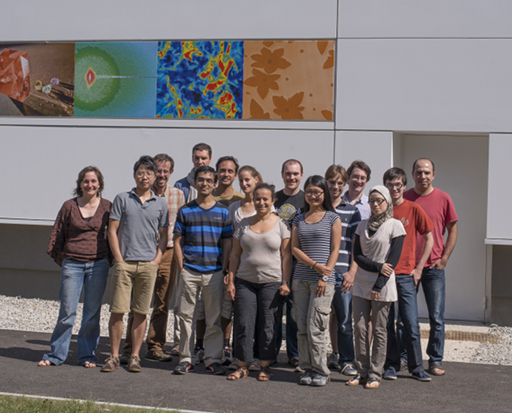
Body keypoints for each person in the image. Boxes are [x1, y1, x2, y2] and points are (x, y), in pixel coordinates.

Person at [101, 156, 169, 373]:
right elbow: (112, 230)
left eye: (148, 173)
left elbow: (164, 235)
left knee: (141, 312)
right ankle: (113, 356)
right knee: (117, 311)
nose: (144, 177)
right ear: (134, 175)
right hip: (125, 263)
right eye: (140, 172)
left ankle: (134, 356)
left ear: (154, 176)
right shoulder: (122, 198)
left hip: (148, 265)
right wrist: (119, 259)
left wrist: (157, 259)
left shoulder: (161, 203)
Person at [39, 166, 111, 368]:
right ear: (80, 184)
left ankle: (87, 355)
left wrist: (110, 259)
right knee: (67, 312)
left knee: (91, 313)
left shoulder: (108, 206)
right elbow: (58, 233)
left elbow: (115, 233)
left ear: (100, 184)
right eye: (86, 181)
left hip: (98, 265)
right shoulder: (69, 206)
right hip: (72, 265)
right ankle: (56, 355)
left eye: (93, 181)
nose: (90, 185)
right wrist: (65, 259)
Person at [121, 154, 185, 363]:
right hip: (141, 252)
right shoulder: (137, 195)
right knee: (137, 302)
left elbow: (179, 228)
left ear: (171, 173)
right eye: (158, 171)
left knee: (162, 301)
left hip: (167, 252)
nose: (161, 175)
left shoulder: (178, 195)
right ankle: (129, 348)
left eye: (166, 171)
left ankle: (155, 346)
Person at [226, 183, 292, 381]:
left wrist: (286, 282)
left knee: (268, 325)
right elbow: (235, 255)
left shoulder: (281, 225)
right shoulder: (243, 223)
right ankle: (242, 366)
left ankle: (265, 365)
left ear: (273, 201)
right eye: (258, 199)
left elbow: (286, 257)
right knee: (243, 323)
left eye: (265, 199)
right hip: (245, 281)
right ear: (253, 200)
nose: (261, 202)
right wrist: (231, 281)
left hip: (272, 282)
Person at [173, 165, 233, 375]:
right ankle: (185, 358)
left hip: (214, 272)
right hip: (189, 271)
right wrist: (181, 267)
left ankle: (213, 359)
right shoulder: (185, 210)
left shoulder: (223, 211)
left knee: (213, 319)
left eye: (209, 180)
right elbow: (177, 241)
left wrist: (224, 268)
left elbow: (227, 242)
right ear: (195, 182)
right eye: (201, 180)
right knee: (186, 317)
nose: (204, 183)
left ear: (214, 184)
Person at [347, 185, 406, 389]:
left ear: (387, 202)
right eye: (371, 200)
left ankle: (375, 373)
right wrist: (379, 266)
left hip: (382, 284)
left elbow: (393, 260)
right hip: (361, 283)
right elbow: (358, 257)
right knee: (359, 328)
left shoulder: (395, 225)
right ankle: (362, 370)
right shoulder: (362, 225)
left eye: (379, 200)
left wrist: (379, 285)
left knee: (380, 330)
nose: (375, 204)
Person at [404, 158, 458, 376]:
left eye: (427, 172)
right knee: (405, 318)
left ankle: (435, 360)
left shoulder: (444, 198)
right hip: (407, 268)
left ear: (433, 175)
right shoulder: (404, 197)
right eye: (418, 172)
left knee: (436, 317)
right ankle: (404, 357)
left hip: (433, 267)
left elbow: (453, 229)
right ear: (412, 174)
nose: (422, 176)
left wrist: (444, 258)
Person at [382, 167, 434, 382]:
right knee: (387, 325)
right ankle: (391, 365)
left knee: (411, 324)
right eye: (390, 185)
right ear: (385, 186)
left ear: (404, 186)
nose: (394, 189)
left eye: (398, 185)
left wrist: (419, 267)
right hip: (385, 275)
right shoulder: (381, 210)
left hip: (405, 275)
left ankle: (417, 367)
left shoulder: (414, 208)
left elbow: (430, 238)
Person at [291, 175, 341, 387]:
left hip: (323, 282)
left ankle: (321, 370)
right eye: (309, 192)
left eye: (317, 192)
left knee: (316, 326)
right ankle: (307, 367)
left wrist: (324, 275)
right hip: (301, 279)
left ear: (324, 193)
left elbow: (335, 249)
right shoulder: (298, 218)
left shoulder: (332, 218)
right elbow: (294, 248)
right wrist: (314, 265)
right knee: (302, 327)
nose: (313, 196)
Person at [173, 142, 212, 360]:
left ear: (210, 159)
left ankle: (204, 346)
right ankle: (180, 344)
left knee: (207, 306)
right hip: (185, 251)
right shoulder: (181, 185)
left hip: (208, 256)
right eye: (197, 158)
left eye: (204, 158)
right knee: (183, 303)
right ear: (192, 159)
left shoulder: (213, 185)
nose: (200, 161)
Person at [324, 165, 361, 376]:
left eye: (340, 183)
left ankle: (347, 360)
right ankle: (329, 356)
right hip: (322, 272)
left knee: (344, 320)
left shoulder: (352, 211)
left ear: (345, 184)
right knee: (320, 319)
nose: (336, 186)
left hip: (343, 273)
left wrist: (352, 271)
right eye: (332, 182)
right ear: (326, 182)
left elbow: (356, 246)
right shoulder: (318, 207)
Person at [274, 159, 304, 369]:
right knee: (274, 310)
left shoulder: (306, 199)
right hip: (274, 261)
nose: (291, 177)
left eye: (295, 174)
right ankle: (271, 352)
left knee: (294, 311)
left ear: (301, 175)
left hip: (297, 263)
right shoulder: (274, 199)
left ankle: (294, 353)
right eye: (288, 173)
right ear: (282, 174)